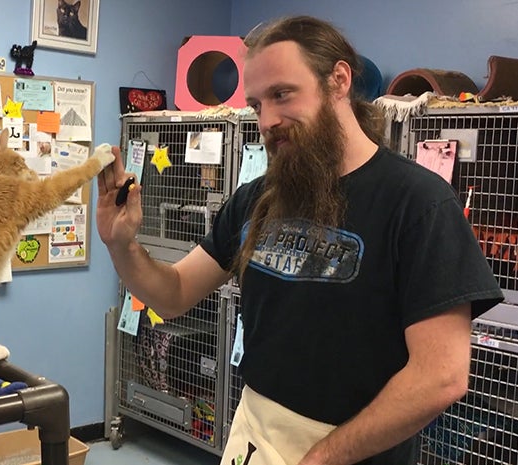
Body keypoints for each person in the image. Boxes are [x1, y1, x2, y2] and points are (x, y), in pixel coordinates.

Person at [96, 15, 504, 465]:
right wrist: (122, 245)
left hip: (354, 451)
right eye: (255, 105)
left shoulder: (418, 204)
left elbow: (440, 375)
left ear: (339, 81)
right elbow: (172, 295)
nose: (267, 120)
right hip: (255, 433)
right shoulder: (258, 198)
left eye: (282, 94)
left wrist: (321, 458)